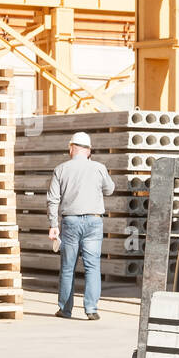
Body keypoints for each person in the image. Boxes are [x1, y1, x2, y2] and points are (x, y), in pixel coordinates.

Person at [47, 130, 114, 320]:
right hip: (94, 221)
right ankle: (91, 309)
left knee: (68, 267)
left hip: (71, 222)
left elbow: (52, 199)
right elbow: (110, 189)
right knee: (92, 266)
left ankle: (65, 310)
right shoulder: (99, 168)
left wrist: (53, 224)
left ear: (71, 148)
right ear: (89, 151)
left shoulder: (61, 169)